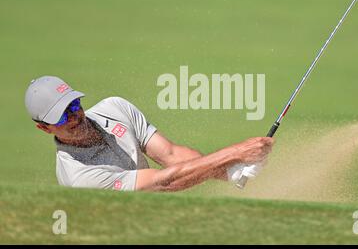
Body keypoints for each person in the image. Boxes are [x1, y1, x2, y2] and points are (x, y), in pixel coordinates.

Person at [24, 76, 274, 192]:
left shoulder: (115, 107)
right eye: (61, 116)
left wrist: (231, 171)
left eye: (74, 105)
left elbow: (171, 155)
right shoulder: (80, 178)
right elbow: (163, 181)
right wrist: (234, 153)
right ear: (44, 127)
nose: (74, 116)